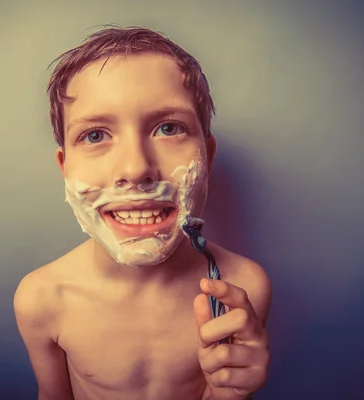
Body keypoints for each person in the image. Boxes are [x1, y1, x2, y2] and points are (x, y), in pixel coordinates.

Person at [14, 25, 272, 400]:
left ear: (207, 157)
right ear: (65, 167)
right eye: (96, 135)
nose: (136, 169)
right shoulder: (42, 298)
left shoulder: (242, 288)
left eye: (168, 128)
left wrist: (233, 393)